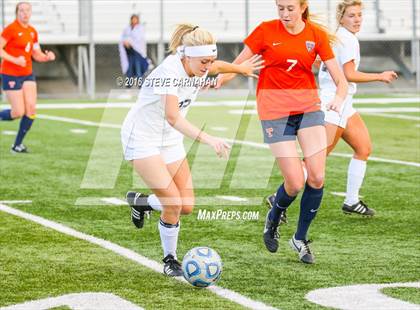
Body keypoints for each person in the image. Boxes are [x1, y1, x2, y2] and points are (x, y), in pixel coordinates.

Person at [121, 24, 264, 276]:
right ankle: (170, 259)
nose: (207, 67)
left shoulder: (200, 63)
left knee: (185, 205)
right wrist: (210, 139)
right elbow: (173, 118)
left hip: (169, 139)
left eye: (210, 60)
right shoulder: (169, 72)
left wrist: (239, 68)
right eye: (203, 62)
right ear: (186, 56)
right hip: (142, 137)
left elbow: (217, 66)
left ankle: (142, 203)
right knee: (173, 202)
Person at [216, 0, 348, 264]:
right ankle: (274, 216)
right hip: (274, 111)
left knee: (317, 177)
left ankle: (300, 238)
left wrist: (339, 98)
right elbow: (238, 64)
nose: (285, 13)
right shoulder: (265, 31)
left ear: (302, 8)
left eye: (290, 8)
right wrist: (221, 78)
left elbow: (341, 80)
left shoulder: (316, 35)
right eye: (280, 8)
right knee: (296, 182)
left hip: (309, 109)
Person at [318, 0, 398, 216]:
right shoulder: (347, 39)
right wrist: (379, 76)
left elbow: (319, 64)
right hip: (335, 102)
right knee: (318, 157)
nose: (357, 19)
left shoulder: (339, 37)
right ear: (341, 18)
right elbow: (349, 75)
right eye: (352, 15)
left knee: (363, 148)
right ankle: (280, 196)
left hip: (342, 102)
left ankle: (351, 201)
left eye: (359, 15)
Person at [0, 1, 55, 153]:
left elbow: (36, 53)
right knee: (17, 112)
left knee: (30, 110)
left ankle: (17, 145)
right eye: (21, 10)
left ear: (31, 13)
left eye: (27, 10)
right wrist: (15, 60)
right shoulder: (10, 29)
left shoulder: (32, 31)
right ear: (17, 13)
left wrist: (46, 57)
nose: (25, 13)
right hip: (10, 73)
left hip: (27, 74)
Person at [118, 14, 149, 81]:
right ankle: (128, 84)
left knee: (138, 67)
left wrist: (130, 42)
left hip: (137, 52)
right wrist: (125, 42)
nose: (134, 20)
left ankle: (140, 83)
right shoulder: (127, 28)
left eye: (135, 19)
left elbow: (139, 39)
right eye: (133, 19)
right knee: (129, 67)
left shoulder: (140, 28)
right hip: (129, 51)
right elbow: (123, 38)